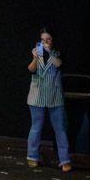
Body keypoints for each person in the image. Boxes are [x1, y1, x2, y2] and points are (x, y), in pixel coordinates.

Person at [25, 29, 71, 171]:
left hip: (54, 95)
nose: (45, 42)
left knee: (60, 128)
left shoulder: (56, 54)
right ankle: (32, 157)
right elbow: (31, 69)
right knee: (36, 127)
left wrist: (49, 52)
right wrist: (35, 57)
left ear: (53, 41)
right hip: (37, 95)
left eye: (48, 39)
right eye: (42, 40)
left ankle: (64, 160)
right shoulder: (36, 53)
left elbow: (59, 64)